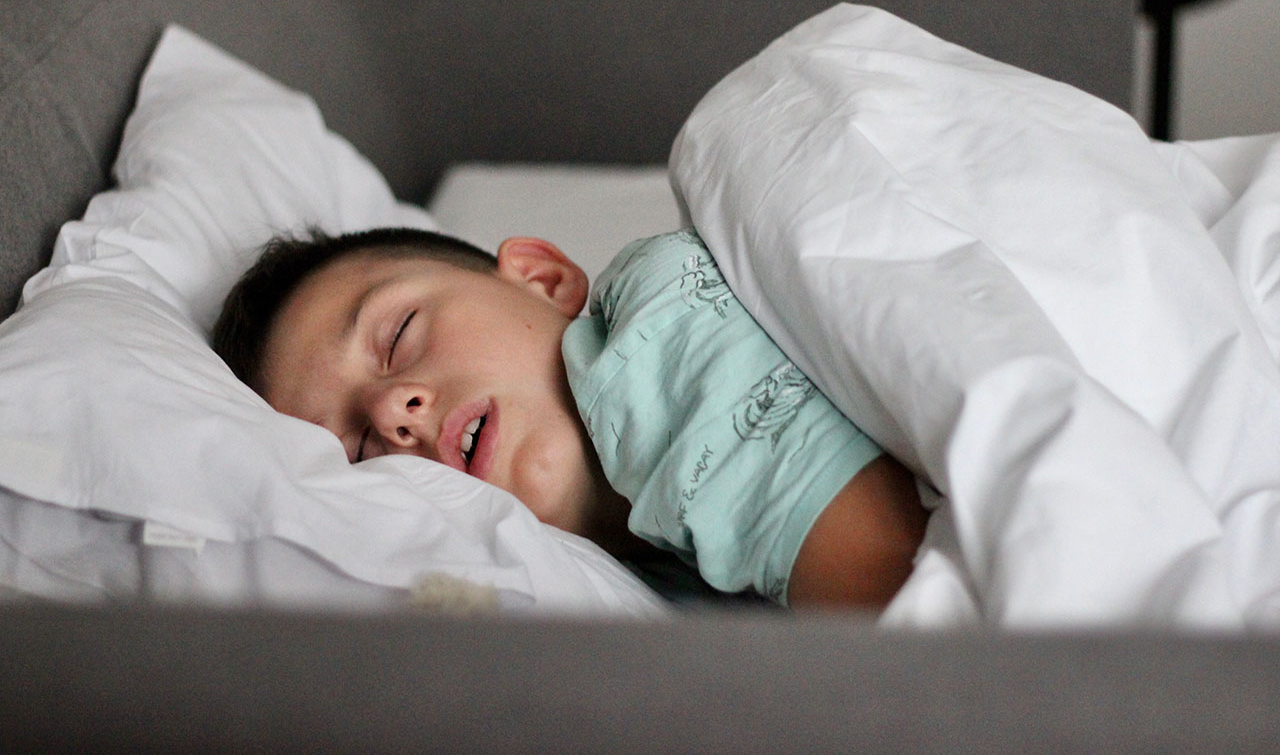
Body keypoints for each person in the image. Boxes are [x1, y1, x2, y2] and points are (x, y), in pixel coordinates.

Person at [212, 226, 928, 609]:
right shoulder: (614, 588)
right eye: (361, 448)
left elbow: (945, 648)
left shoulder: (658, 315)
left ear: (542, 277)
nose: (393, 409)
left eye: (398, 335)